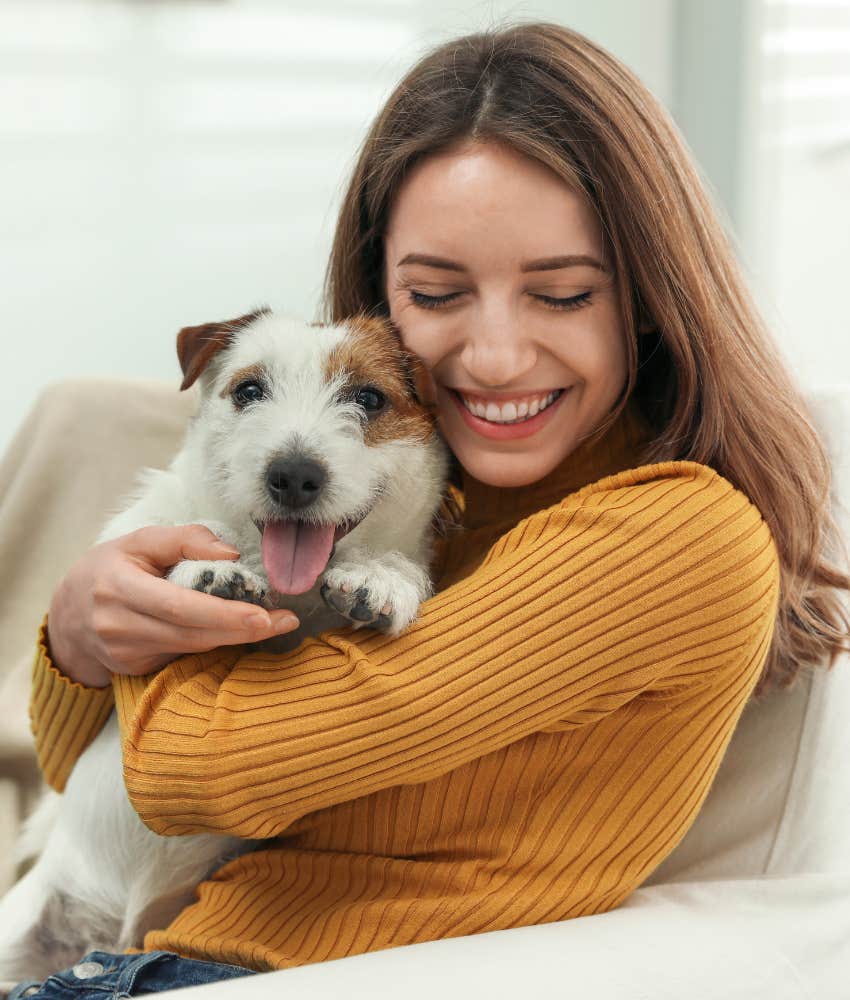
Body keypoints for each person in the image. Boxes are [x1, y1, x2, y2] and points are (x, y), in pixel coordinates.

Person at [15, 19, 849, 999]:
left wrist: (140, 624)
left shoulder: (672, 536)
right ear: (380, 302)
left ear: (651, 300)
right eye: (439, 290)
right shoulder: (415, 493)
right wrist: (77, 638)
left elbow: (201, 772)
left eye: (564, 295)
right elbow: (83, 776)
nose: (493, 356)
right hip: (146, 950)